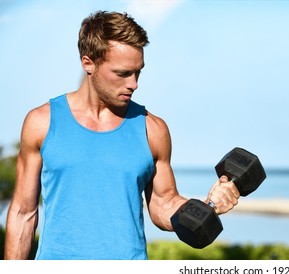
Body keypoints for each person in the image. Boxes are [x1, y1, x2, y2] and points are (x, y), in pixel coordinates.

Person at [4, 11, 240, 260]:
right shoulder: (42, 122)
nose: (134, 84)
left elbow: (163, 204)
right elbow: (23, 212)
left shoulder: (152, 129)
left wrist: (205, 208)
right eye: (123, 73)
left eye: (138, 72)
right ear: (88, 63)